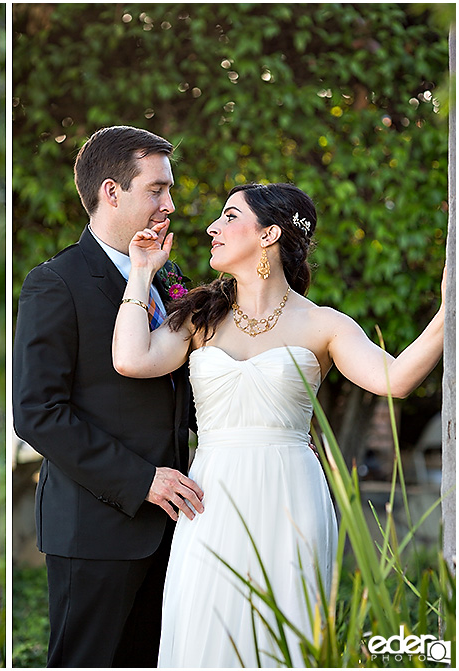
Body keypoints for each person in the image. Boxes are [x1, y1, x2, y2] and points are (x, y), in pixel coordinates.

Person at [112, 182, 445, 667]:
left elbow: (394, 380)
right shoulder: (200, 317)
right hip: (212, 501)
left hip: (292, 500)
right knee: (206, 632)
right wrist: (141, 273)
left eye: (229, 217)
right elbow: (130, 357)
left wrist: (446, 312)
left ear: (268, 234)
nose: (212, 227)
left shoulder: (325, 324)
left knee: (283, 641)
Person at [13, 126, 204, 667]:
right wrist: (140, 480)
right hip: (94, 530)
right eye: (157, 190)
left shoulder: (169, 278)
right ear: (112, 192)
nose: (170, 204)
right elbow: (36, 412)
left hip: (175, 523)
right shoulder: (56, 282)